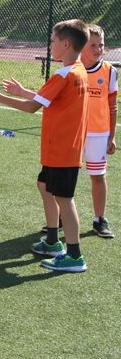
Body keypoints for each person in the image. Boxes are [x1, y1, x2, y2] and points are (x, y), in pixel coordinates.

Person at [0, 19, 90, 272]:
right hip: (62, 148)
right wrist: (22, 91)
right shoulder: (78, 71)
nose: (50, 45)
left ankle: (74, 256)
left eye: (53, 41)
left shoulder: (63, 74)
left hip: (62, 149)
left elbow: (32, 107)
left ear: (66, 44)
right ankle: (52, 240)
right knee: (44, 185)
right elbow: (49, 99)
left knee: (64, 199)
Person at [80, 24, 117, 238]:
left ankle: (99, 219)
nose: (98, 49)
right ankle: (60, 217)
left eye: (101, 45)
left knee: (98, 176)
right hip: (74, 133)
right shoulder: (72, 68)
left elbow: (113, 106)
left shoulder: (109, 71)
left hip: (98, 133)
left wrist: (112, 136)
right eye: (92, 45)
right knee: (67, 176)